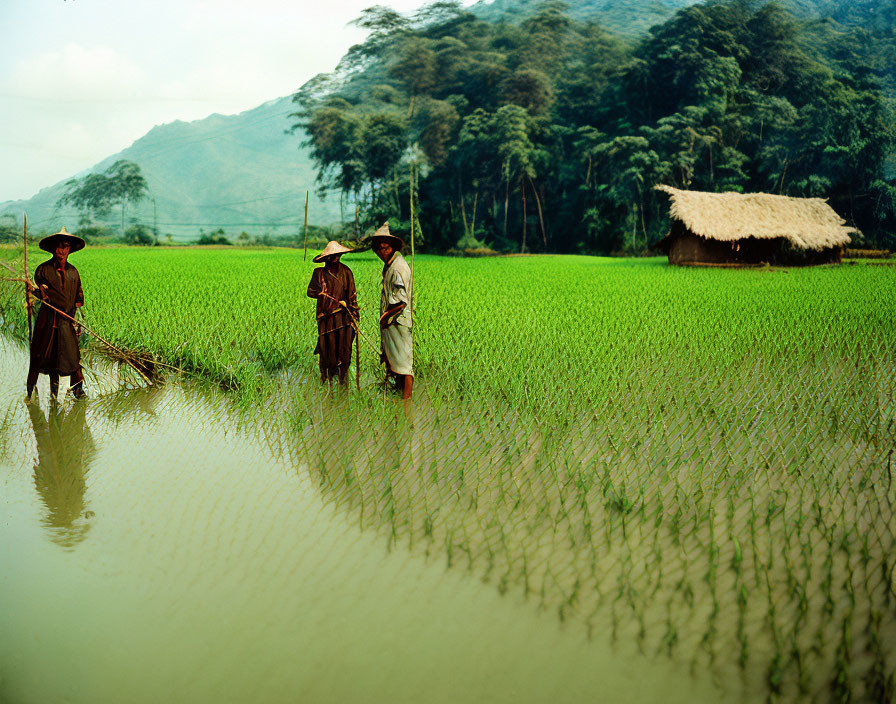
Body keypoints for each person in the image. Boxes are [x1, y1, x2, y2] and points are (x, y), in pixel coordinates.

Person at [26, 226, 87, 401]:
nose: (61, 250)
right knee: (42, 356)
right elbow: (39, 291)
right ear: (53, 248)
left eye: (65, 246)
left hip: (66, 321)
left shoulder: (73, 272)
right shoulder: (43, 269)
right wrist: (36, 291)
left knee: (72, 357)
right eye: (58, 246)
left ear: (69, 249)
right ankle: (32, 392)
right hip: (48, 321)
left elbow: (79, 298)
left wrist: (73, 315)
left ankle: (78, 391)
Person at [370, 222, 413, 400]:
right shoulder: (389, 264)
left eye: (385, 248)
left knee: (404, 363)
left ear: (392, 247)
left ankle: (406, 400)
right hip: (390, 321)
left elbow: (400, 302)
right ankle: (397, 393)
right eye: (379, 249)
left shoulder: (398, 267)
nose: (382, 252)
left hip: (398, 321)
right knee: (393, 360)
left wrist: (385, 317)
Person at [306, 241, 359, 385]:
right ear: (326, 259)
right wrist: (322, 293)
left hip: (343, 317)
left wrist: (352, 310)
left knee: (344, 352)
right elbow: (310, 292)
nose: (335, 259)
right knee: (326, 351)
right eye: (332, 256)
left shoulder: (346, 272)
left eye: (337, 256)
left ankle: (343, 382)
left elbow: (352, 295)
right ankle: (326, 380)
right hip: (326, 319)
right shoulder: (319, 273)